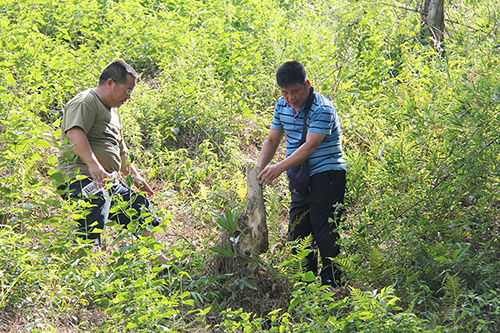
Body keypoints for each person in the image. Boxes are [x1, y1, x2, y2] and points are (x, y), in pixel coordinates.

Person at [56, 59, 165, 264]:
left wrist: (135, 177)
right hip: (78, 177)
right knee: (96, 199)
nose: (129, 96)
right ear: (110, 83)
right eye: (127, 90)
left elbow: (120, 152)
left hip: (105, 180)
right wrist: (93, 164)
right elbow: (74, 134)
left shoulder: (113, 111)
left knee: (138, 205)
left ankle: (159, 262)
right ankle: (84, 266)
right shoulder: (85, 101)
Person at [257, 61, 346, 287]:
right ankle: (303, 283)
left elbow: (310, 147)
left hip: (327, 173)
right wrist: (257, 171)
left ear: (307, 84)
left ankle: (332, 285)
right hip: (299, 176)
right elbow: (272, 139)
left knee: (323, 227)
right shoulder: (281, 106)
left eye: (295, 91)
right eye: (285, 93)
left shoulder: (322, 108)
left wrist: (277, 168)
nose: (290, 98)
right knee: (298, 229)